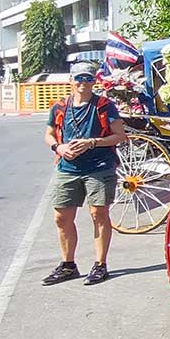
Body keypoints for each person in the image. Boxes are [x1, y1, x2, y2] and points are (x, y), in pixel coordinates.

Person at [42, 62, 126, 285]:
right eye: (79, 78)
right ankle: (68, 264)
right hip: (67, 168)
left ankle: (100, 264)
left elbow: (119, 135)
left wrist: (93, 142)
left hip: (99, 167)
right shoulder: (60, 107)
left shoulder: (104, 106)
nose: (83, 83)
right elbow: (49, 134)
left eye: (88, 79)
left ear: (94, 81)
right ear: (71, 81)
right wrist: (58, 147)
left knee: (98, 213)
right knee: (61, 217)